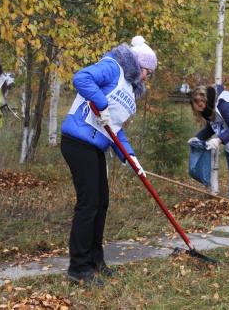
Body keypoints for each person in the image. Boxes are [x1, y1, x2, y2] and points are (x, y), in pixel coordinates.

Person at [60, 35, 157, 287]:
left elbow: (116, 129)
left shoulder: (131, 90)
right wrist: (100, 103)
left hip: (97, 146)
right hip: (78, 141)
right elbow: (81, 78)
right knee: (88, 204)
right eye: (148, 71)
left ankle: (95, 261)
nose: (148, 76)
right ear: (139, 65)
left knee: (101, 204)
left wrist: (130, 158)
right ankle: (78, 268)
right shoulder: (113, 66)